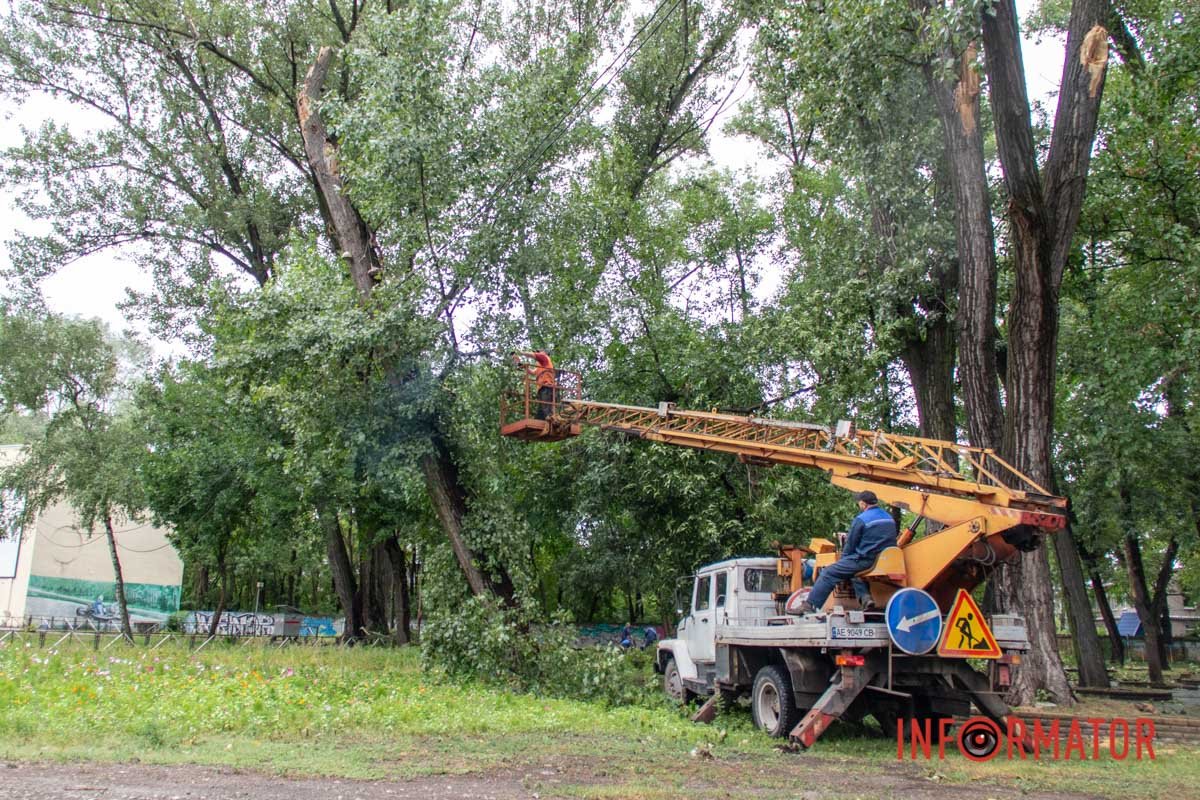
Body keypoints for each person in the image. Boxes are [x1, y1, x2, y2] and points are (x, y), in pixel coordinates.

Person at [795, 490, 898, 615]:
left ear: (863, 504)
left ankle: (809, 604)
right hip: (886, 559)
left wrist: (842, 560)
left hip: (866, 560)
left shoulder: (861, 519)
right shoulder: (889, 518)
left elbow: (850, 544)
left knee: (829, 572)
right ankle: (866, 599)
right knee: (851, 571)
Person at [514, 350, 556, 420]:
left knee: (546, 406)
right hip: (541, 387)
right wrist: (522, 365)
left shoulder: (545, 358)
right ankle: (539, 419)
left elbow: (534, 355)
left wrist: (521, 353)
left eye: (539, 351)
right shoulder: (541, 365)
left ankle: (550, 419)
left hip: (547, 386)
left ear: (544, 353)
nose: (538, 353)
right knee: (542, 407)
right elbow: (533, 372)